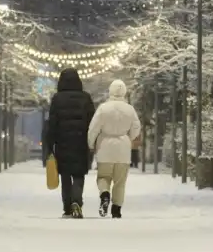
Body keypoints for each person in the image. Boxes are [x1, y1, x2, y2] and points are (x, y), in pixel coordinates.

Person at [43, 68, 95, 218]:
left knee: (65, 175)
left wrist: (49, 144)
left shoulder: (57, 99)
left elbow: (52, 123)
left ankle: (67, 206)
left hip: (62, 142)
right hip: (81, 142)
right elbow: (92, 121)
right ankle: (77, 201)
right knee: (79, 174)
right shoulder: (86, 98)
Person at [87, 79, 141, 219]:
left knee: (103, 177)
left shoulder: (103, 108)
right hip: (123, 149)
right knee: (120, 182)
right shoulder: (130, 109)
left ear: (110, 91)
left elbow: (93, 128)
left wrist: (91, 143)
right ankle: (116, 209)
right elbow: (136, 127)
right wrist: (129, 137)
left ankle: (105, 194)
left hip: (104, 147)